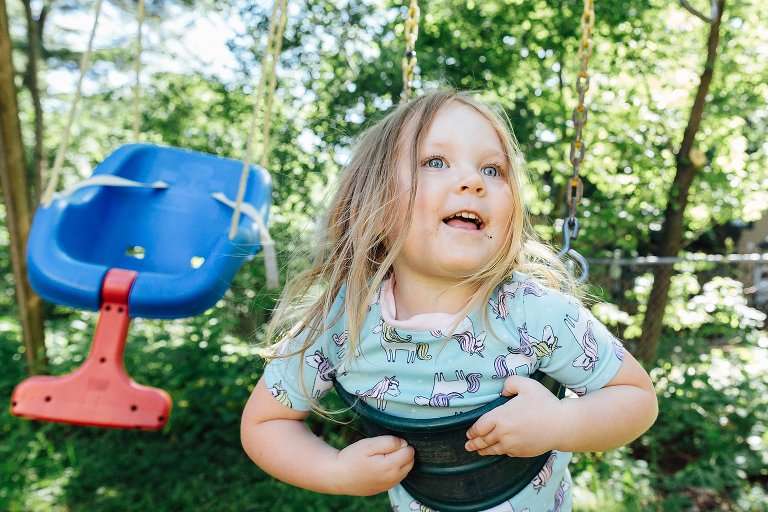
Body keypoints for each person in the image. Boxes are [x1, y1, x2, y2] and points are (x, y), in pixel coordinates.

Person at [241, 89, 658, 511]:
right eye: (434, 162)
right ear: (374, 198)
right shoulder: (343, 322)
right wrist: (334, 470)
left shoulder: (534, 312)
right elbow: (266, 422)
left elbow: (635, 397)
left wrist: (560, 423)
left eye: (493, 170)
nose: (473, 181)